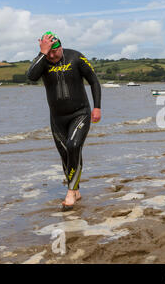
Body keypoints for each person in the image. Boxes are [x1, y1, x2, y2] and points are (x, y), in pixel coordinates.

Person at [27, 32, 102, 208]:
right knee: (66, 155)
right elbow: (31, 76)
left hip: (80, 113)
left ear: (61, 46)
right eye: (49, 53)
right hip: (57, 118)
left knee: (73, 146)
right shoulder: (43, 61)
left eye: (55, 51)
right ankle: (76, 190)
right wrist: (42, 54)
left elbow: (94, 81)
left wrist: (97, 107)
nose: (52, 56)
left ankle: (70, 193)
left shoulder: (75, 57)